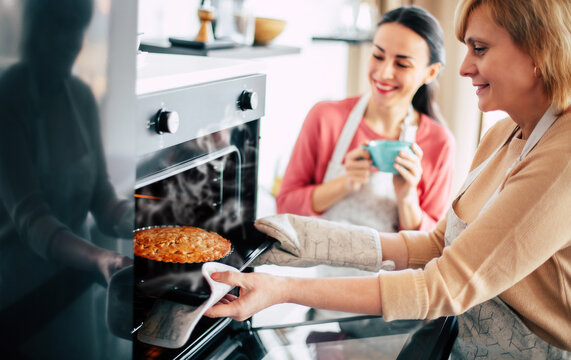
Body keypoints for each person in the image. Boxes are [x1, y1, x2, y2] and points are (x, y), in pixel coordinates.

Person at [205, 0, 571, 358]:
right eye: (378, 55)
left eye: (479, 48)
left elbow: (441, 284)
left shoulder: (562, 155)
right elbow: (438, 244)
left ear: (540, 49)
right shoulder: (502, 133)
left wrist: (283, 289)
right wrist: (309, 241)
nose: (464, 68)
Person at [0, 0, 133, 358]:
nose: (70, 40)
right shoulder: (8, 98)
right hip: (21, 293)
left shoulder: (81, 96)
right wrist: (100, 258)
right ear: (35, 27)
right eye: (60, 25)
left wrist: (139, 222)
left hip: (74, 284)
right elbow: (33, 221)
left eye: (77, 26)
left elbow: (100, 195)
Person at [276, 5, 455, 233]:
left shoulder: (440, 143)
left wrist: (407, 198)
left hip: (389, 270)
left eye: (402, 64)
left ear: (430, 73)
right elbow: (284, 207)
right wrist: (344, 183)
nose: (383, 73)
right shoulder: (324, 117)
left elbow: (430, 249)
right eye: (378, 55)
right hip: (315, 269)